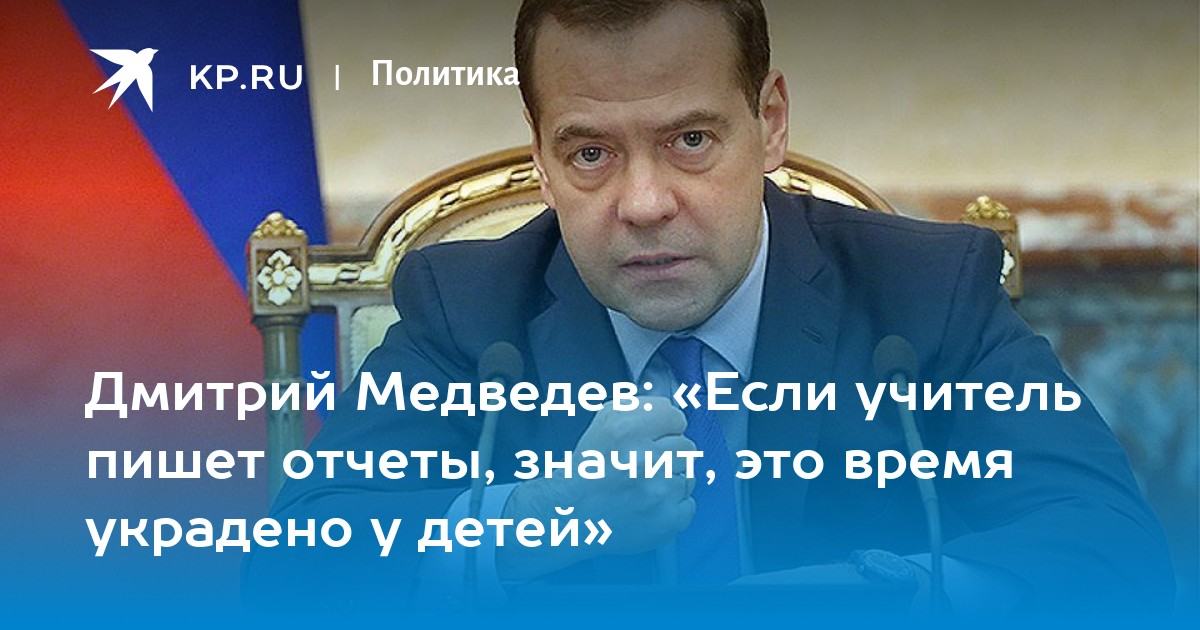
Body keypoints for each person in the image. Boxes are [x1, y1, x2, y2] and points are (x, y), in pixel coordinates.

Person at [247, 0, 1173, 619]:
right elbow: (290, 575)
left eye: (690, 139)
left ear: (769, 123)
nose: (644, 203)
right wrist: (533, 521)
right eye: (590, 153)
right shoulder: (470, 311)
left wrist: (872, 592)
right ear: (540, 158)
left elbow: (1117, 554)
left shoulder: (923, 293)